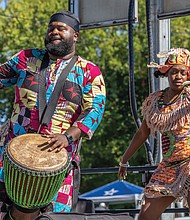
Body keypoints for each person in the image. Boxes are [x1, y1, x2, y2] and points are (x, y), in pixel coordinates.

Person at [0, 10, 106, 219]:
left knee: (55, 215)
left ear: (75, 35)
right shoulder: (25, 59)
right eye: (51, 28)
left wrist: (67, 137)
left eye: (61, 28)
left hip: (59, 159)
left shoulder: (89, 71)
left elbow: (94, 110)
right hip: (12, 153)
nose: (54, 32)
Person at [118, 48, 190, 220]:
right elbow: (143, 132)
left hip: (189, 163)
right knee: (146, 214)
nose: (178, 76)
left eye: (183, 73)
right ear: (166, 73)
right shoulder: (155, 100)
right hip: (168, 166)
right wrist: (124, 160)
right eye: (174, 72)